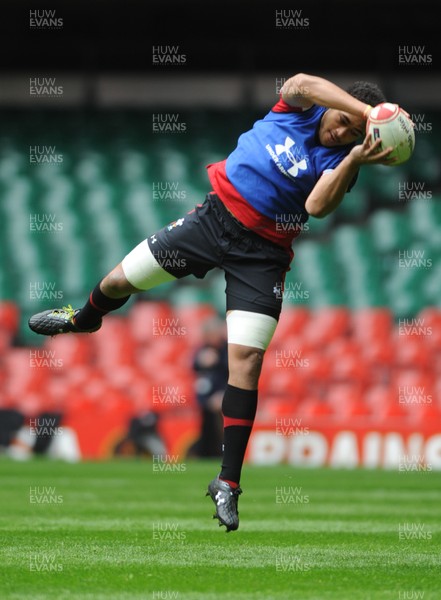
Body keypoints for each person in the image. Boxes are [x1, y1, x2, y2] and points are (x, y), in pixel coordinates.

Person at [29, 72, 394, 532]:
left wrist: (358, 153)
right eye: (344, 122)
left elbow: (318, 208)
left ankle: (228, 483)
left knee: (246, 362)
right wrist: (368, 115)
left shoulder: (343, 159)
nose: (342, 133)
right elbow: (300, 81)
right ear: (339, 107)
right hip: (212, 221)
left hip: (261, 255)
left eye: (354, 134)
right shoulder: (301, 109)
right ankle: (84, 318)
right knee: (119, 281)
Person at [186, 316, 228, 459]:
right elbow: (192, 366)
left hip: (220, 397)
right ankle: (204, 454)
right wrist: (200, 360)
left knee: (219, 429)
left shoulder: (226, 350)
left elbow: (232, 374)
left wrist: (224, 394)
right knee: (205, 428)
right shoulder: (202, 349)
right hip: (204, 399)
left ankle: (221, 455)